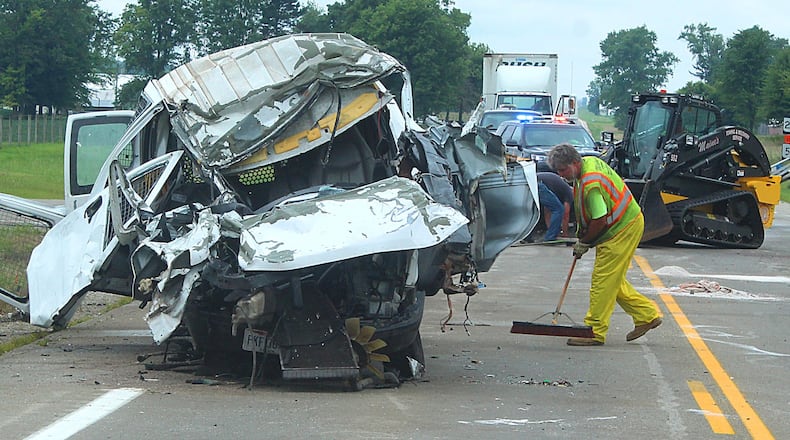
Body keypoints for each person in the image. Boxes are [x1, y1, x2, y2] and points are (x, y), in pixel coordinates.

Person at [546, 143, 662, 346]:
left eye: (563, 169)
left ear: (574, 163)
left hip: (621, 229)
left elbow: (600, 219)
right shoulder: (589, 162)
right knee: (612, 280)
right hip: (627, 221)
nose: (561, 174)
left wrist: (584, 242)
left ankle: (594, 331)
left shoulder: (591, 185)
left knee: (602, 281)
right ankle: (647, 315)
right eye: (557, 171)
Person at [537, 172, 572, 239]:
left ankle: (527, 237)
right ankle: (550, 237)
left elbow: (547, 212)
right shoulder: (569, 193)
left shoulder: (557, 190)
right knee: (559, 209)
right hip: (540, 183)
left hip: (531, 181)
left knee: (531, 210)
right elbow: (565, 215)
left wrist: (551, 229)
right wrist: (565, 234)